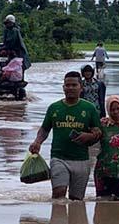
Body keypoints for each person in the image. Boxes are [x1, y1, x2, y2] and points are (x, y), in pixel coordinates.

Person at [29, 71, 102, 200]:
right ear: (63, 87)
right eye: (67, 85)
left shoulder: (89, 108)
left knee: (77, 200)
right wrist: (37, 142)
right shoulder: (54, 108)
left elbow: (98, 132)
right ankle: (57, 219)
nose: (70, 88)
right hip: (59, 158)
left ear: (81, 87)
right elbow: (45, 129)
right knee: (59, 195)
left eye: (74, 85)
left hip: (82, 160)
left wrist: (88, 136)